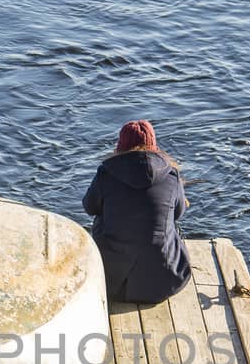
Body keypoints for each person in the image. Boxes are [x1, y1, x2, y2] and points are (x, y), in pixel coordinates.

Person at [82, 119, 192, 303]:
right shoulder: (171, 176)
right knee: (169, 223)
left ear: (121, 145)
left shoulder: (105, 174)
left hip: (110, 283)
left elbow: (89, 207)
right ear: (153, 145)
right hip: (164, 282)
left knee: (100, 216)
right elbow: (178, 214)